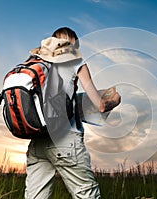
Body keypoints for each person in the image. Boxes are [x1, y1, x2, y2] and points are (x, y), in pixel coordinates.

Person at [24, 27, 121, 199]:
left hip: (38, 141)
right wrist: (115, 100)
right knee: (87, 195)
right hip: (65, 142)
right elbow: (100, 106)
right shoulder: (76, 62)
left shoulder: (36, 62)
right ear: (73, 43)